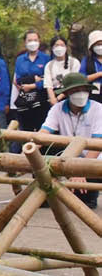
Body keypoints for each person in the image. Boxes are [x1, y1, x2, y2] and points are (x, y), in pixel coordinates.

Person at [40, 72, 102, 209]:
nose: (80, 94)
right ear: (67, 93)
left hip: (92, 158)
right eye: (75, 90)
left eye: (83, 90)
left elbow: (98, 145)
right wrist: (29, 150)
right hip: (68, 156)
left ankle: (88, 193)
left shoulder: (98, 109)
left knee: (86, 202)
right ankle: (45, 190)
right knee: (43, 152)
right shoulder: (58, 109)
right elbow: (44, 133)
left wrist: (80, 171)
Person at [11, 29, 52, 139]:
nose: (32, 42)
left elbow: (48, 79)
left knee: (42, 130)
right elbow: (19, 79)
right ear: (25, 42)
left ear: (39, 41)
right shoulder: (20, 59)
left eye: (35, 40)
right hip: (25, 100)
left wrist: (33, 85)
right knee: (25, 131)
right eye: (30, 40)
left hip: (42, 100)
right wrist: (34, 78)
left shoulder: (46, 58)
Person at [43, 36, 80, 106]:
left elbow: (74, 83)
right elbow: (48, 85)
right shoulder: (49, 65)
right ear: (52, 48)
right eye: (56, 45)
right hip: (54, 96)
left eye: (62, 45)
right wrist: (53, 99)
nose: (59, 48)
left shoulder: (74, 62)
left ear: (66, 47)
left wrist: (59, 98)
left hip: (70, 95)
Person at [80, 30, 102, 104]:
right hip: (93, 94)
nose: (100, 47)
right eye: (97, 45)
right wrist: (99, 74)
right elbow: (82, 78)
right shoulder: (86, 60)